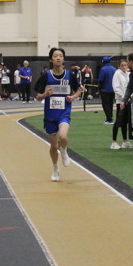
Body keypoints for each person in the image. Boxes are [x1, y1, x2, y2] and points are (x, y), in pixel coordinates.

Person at [35, 47, 82, 181]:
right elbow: (38, 97)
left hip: (64, 112)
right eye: (55, 56)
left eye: (60, 56)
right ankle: (55, 168)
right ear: (51, 59)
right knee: (54, 145)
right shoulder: (46, 76)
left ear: (64, 59)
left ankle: (64, 151)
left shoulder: (70, 75)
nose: (58, 58)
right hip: (50, 115)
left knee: (63, 136)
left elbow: (79, 90)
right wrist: (45, 94)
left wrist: (73, 97)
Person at [111, 58, 133, 149]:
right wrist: (123, 97)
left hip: (127, 101)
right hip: (120, 101)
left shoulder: (127, 74)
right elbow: (116, 88)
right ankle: (114, 142)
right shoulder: (117, 74)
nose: (124, 67)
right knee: (118, 121)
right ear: (119, 66)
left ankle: (125, 141)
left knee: (125, 122)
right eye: (122, 65)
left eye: (125, 65)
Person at [98, 56, 116, 124]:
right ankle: (110, 118)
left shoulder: (103, 69)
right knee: (111, 104)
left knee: (106, 105)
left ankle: (109, 119)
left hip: (105, 90)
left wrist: (99, 90)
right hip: (113, 89)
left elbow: (101, 80)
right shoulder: (114, 69)